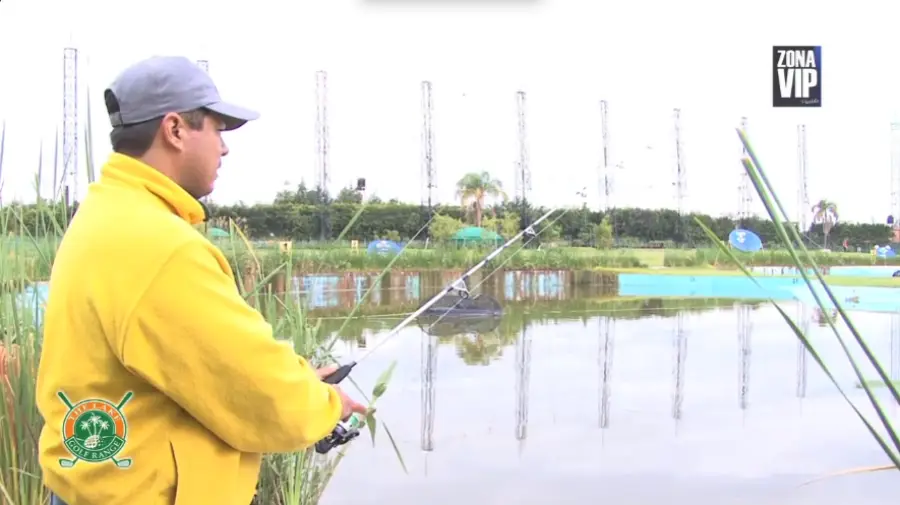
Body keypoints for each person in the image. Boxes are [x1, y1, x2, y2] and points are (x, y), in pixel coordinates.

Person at [35, 55, 367, 505]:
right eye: (217, 129)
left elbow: (198, 365)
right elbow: (261, 396)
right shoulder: (161, 246)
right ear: (174, 130)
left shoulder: (103, 215)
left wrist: (296, 376)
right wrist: (325, 405)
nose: (224, 148)